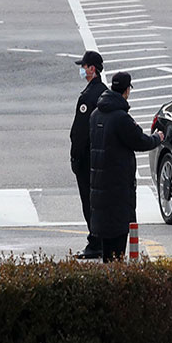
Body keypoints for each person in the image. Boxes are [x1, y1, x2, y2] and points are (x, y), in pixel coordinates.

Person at [89, 72, 164, 262]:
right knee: (119, 243)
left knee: (107, 245)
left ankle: (107, 281)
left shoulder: (95, 115)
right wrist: (158, 138)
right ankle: (117, 282)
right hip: (118, 187)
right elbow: (140, 141)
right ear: (126, 90)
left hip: (98, 186)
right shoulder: (121, 118)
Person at [71, 51, 108, 259]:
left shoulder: (88, 96)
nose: (82, 69)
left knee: (89, 201)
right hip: (100, 157)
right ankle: (100, 239)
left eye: (84, 66)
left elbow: (80, 132)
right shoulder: (104, 92)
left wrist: (75, 157)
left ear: (92, 68)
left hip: (86, 158)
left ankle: (95, 242)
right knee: (98, 200)